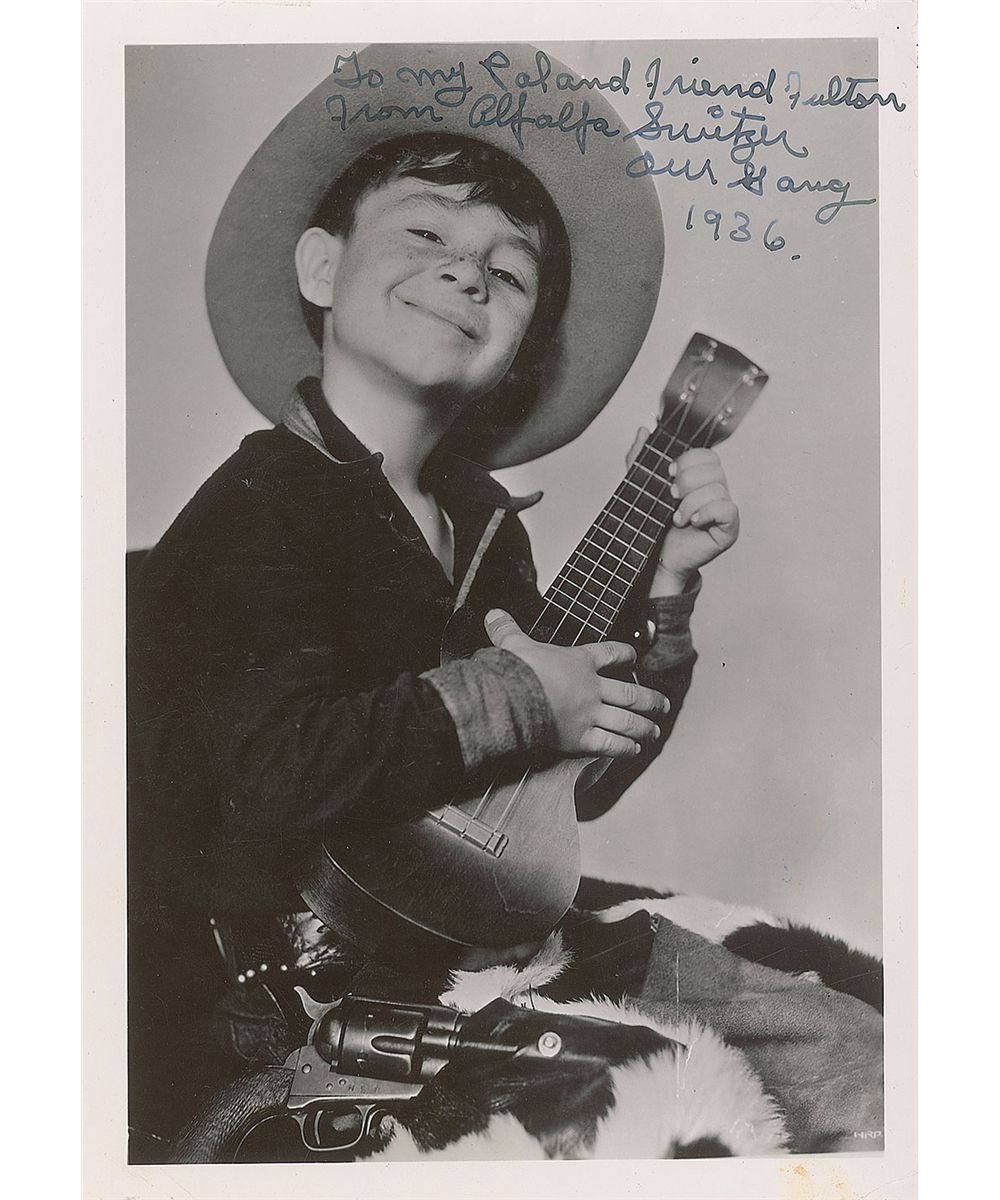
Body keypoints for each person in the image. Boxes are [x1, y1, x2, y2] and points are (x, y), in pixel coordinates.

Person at [129, 46, 880, 1160]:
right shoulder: (258, 506)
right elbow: (273, 767)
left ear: (521, 345)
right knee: (634, 1111)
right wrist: (521, 696)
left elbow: (563, 794)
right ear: (322, 267)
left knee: (864, 1048)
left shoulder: (484, 524)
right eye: (424, 233)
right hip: (301, 991)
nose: (468, 272)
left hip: (483, 939)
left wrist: (665, 592)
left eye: (509, 271)